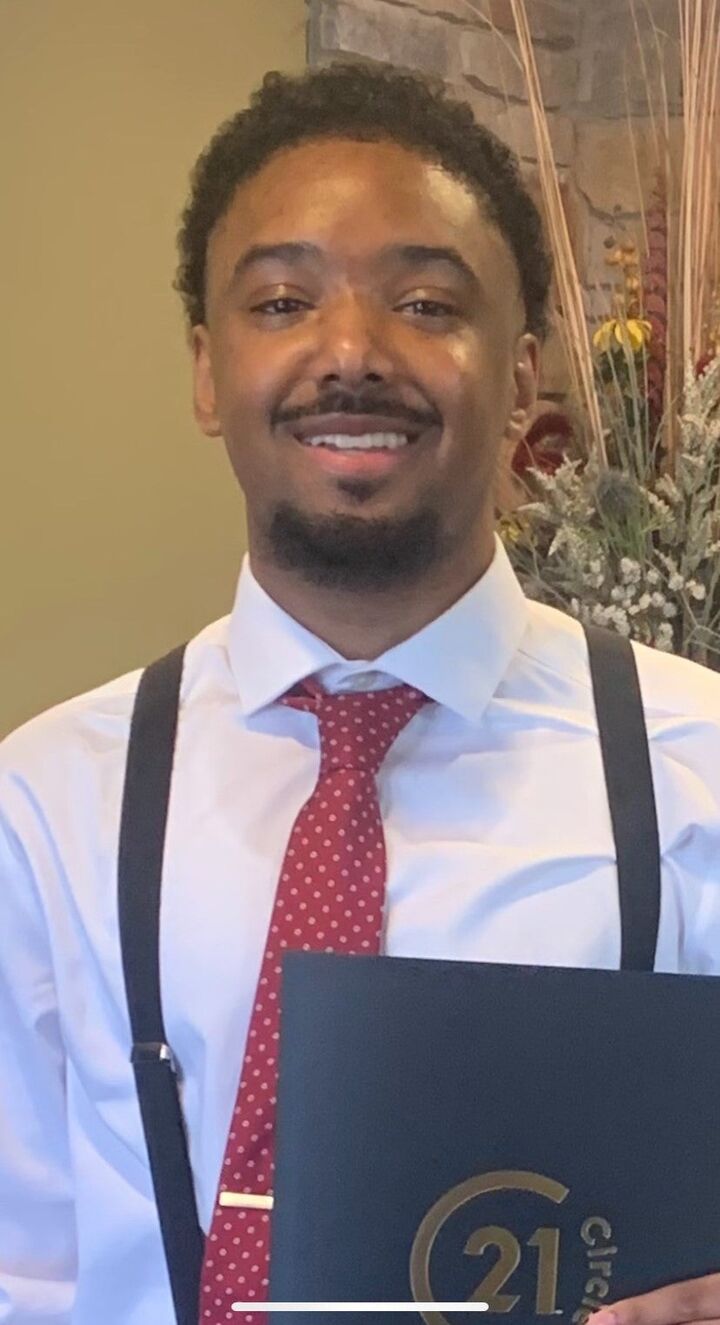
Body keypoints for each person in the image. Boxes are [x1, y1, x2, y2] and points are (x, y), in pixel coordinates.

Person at [1, 59, 720, 1325]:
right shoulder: (50, 804)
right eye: (282, 300)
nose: (349, 352)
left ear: (526, 377)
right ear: (207, 370)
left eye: (426, 303)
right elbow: (25, 1264)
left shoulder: (697, 768)